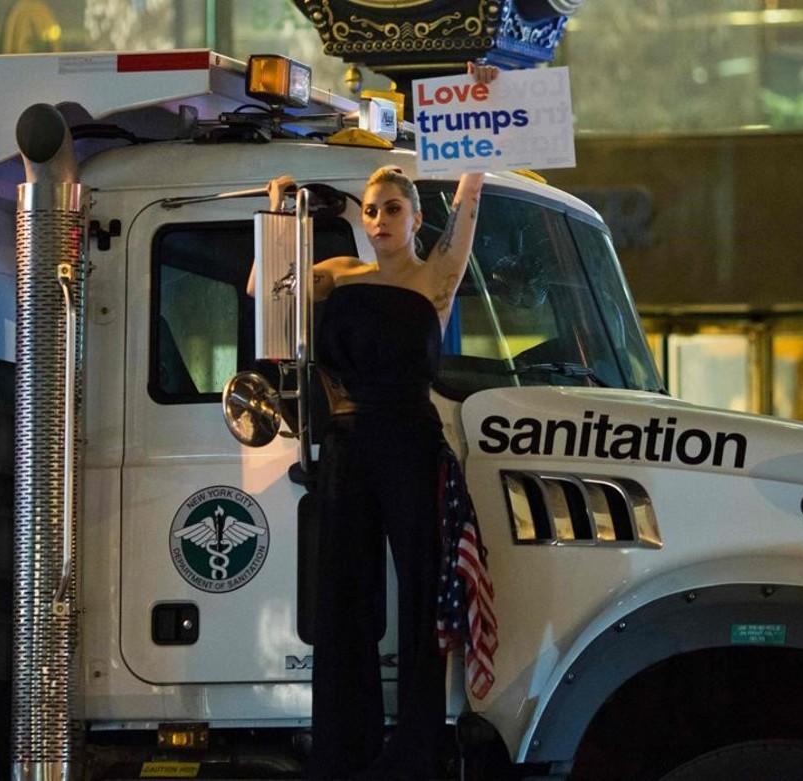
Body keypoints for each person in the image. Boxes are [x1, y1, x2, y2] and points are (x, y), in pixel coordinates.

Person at [252, 63, 498, 780]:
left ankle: (415, 747)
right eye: (371, 208)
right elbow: (265, 298)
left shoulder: (437, 274)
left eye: (392, 207)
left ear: (415, 217)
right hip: (348, 442)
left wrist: (481, 98)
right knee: (343, 596)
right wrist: (276, 218)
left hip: (410, 443)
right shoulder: (337, 274)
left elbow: (473, 187)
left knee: (422, 590)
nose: (379, 219)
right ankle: (343, 749)